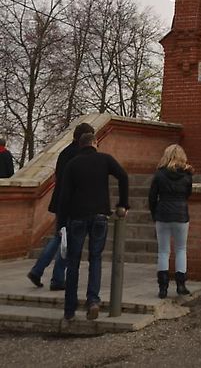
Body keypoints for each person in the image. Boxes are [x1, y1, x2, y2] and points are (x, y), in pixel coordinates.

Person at [58, 131, 129, 321]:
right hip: (99, 215)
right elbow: (123, 176)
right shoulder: (105, 159)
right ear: (95, 143)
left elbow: (64, 198)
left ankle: (70, 309)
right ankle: (93, 301)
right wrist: (123, 204)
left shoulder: (72, 164)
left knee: (73, 262)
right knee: (95, 258)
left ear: (80, 145)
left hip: (77, 216)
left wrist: (61, 223)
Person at [27, 121, 94, 290]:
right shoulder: (81, 154)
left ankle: (37, 270)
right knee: (67, 240)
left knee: (59, 236)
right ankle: (56, 279)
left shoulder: (65, 152)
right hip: (72, 203)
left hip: (60, 201)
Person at [148, 144, 193, 298]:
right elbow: (188, 194)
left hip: (163, 214)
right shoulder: (187, 175)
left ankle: (163, 287)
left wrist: (155, 214)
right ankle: (181, 284)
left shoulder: (159, 174)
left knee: (163, 251)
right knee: (181, 249)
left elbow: (152, 197)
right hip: (181, 214)